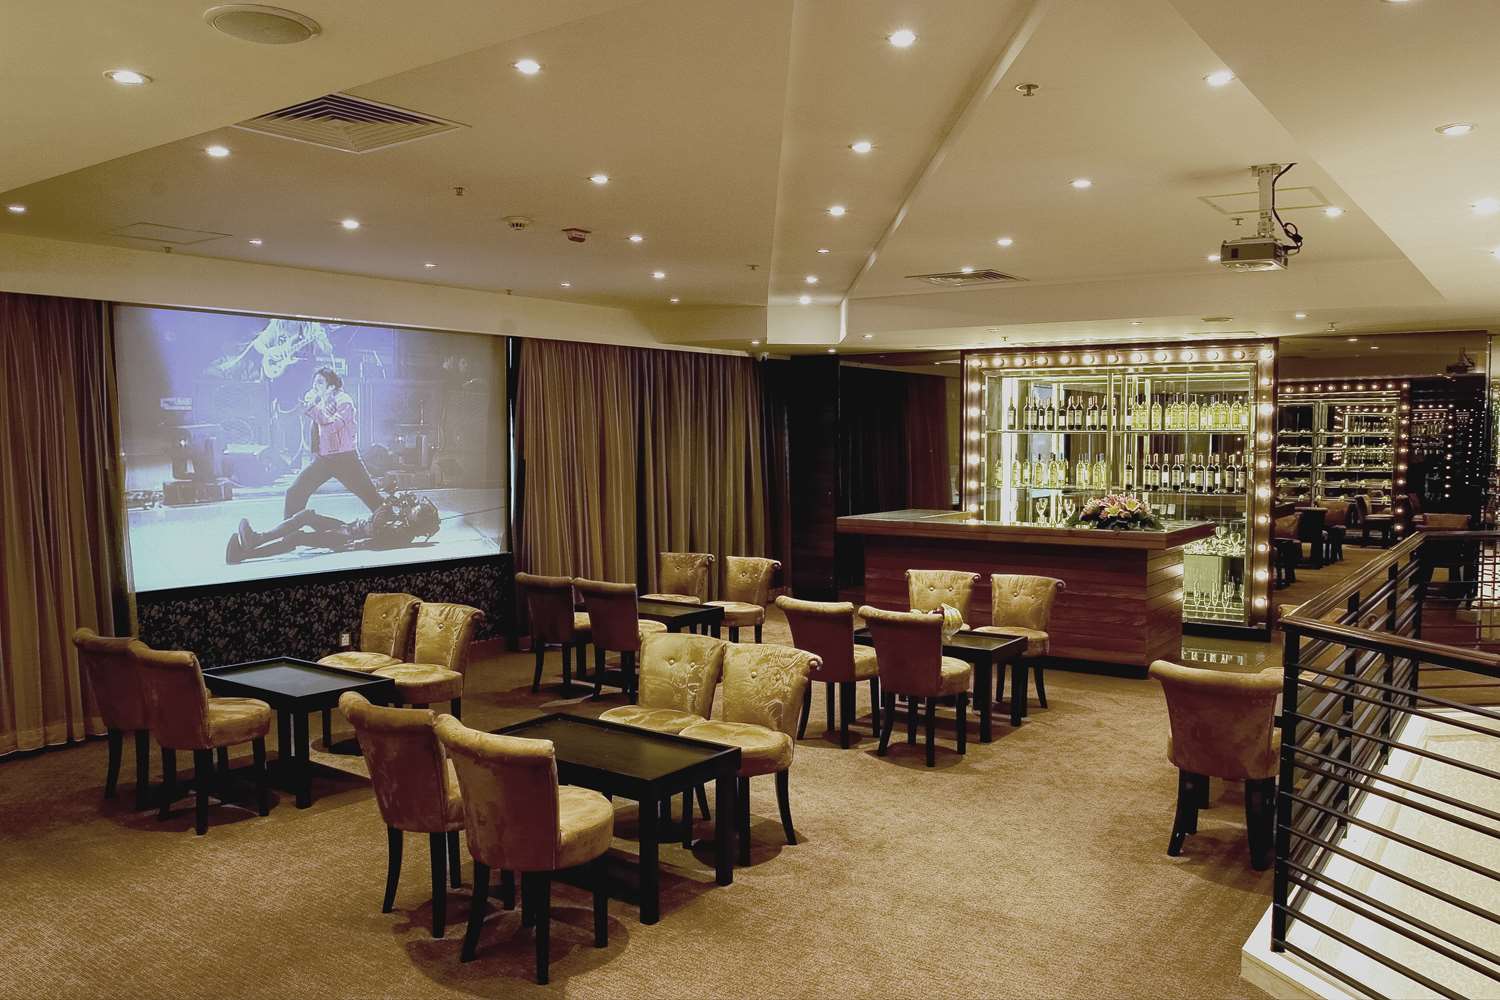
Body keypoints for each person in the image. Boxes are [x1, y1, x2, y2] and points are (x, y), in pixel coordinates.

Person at [282, 366, 386, 518]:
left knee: (372, 498)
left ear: (331, 386)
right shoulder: (322, 401)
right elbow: (317, 429)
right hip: (325, 459)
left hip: (345, 459)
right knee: (295, 492)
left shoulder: (344, 401)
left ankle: (397, 523)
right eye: (314, 383)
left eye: (319, 383)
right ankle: (290, 528)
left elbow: (332, 427)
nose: (314, 386)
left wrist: (312, 408)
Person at [226, 492, 440, 564]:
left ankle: (245, 554)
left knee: (296, 538)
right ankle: (257, 539)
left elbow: (376, 528)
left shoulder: (402, 534)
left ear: (419, 521)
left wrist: (387, 504)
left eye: (417, 510)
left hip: (346, 539)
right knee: (307, 515)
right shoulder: (404, 526)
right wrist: (394, 504)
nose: (414, 507)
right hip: (349, 529)